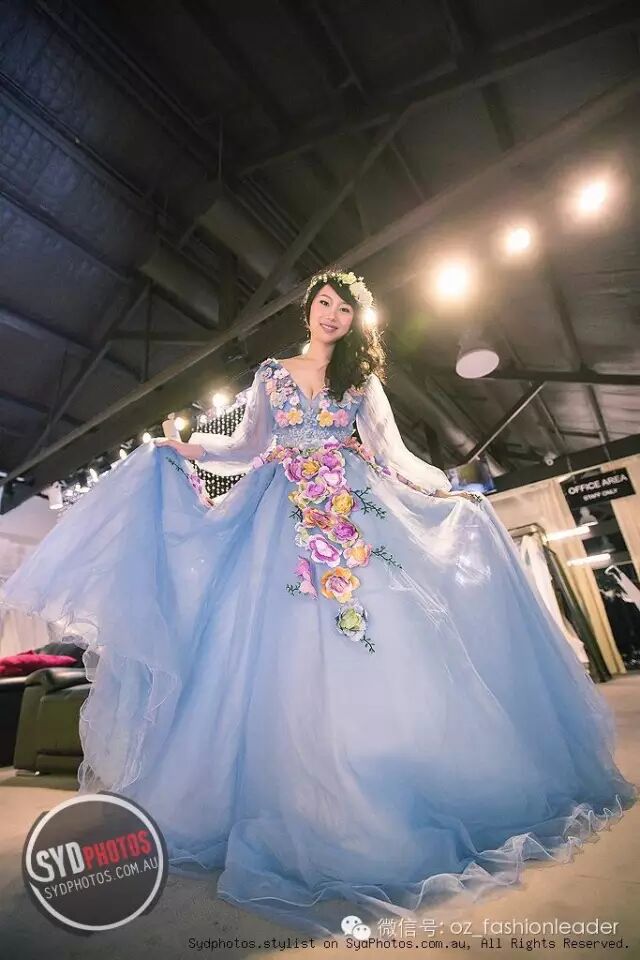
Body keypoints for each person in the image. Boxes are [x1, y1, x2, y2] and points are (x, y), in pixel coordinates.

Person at [0, 269, 636, 939]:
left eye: (345, 308)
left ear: (356, 321)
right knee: (279, 653)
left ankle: (380, 781)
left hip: (351, 511)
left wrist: (447, 492)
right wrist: (188, 447)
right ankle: (300, 795)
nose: (332, 315)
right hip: (278, 517)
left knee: (375, 646)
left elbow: (394, 454)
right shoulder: (272, 374)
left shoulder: (361, 380)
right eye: (325, 303)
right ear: (308, 309)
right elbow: (247, 446)